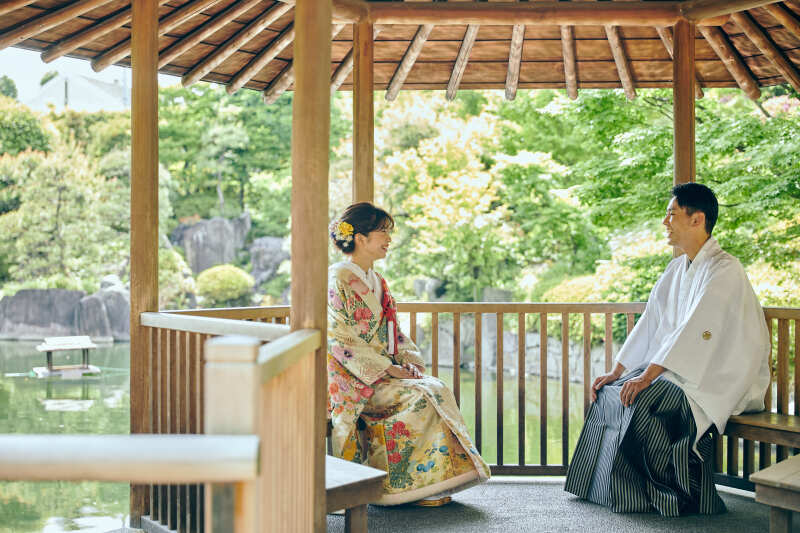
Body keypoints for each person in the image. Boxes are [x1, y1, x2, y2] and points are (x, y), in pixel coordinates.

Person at [564, 183, 770, 516]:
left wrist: (646, 377)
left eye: (671, 213)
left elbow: (697, 332)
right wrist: (618, 371)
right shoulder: (678, 269)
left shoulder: (725, 269)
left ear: (696, 219)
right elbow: (651, 321)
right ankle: (604, 490)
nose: (665, 222)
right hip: (681, 371)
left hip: (717, 379)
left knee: (643, 397)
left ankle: (663, 496)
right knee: (611, 391)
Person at [327, 202, 490, 506]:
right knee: (420, 397)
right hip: (352, 378)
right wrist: (388, 370)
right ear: (360, 238)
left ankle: (423, 484)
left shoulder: (377, 281)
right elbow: (340, 338)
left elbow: (394, 332)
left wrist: (409, 364)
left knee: (433, 387)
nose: (389, 239)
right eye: (383, 232)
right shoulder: (337, 279)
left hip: (381, 371)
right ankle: (396, 484)